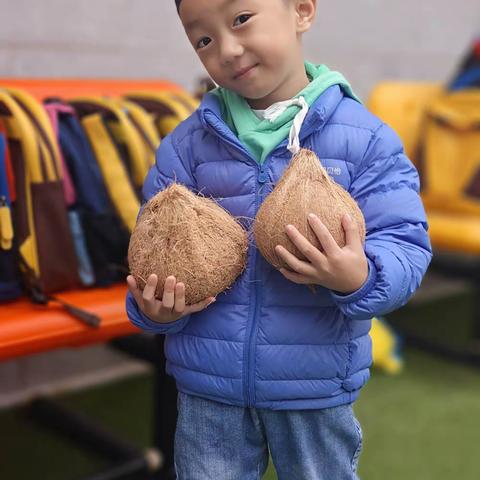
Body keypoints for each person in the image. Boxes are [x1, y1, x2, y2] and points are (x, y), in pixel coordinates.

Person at [126, 0, 432, 478]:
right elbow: (149, 246)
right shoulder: (186, 145)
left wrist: (359, 275)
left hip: (314, 385)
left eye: (241, 19)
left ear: (303, 11)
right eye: (202, 39)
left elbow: (406, 243)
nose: (226, 49)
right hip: (210, 384)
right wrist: (152, 309)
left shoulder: (366, 139)